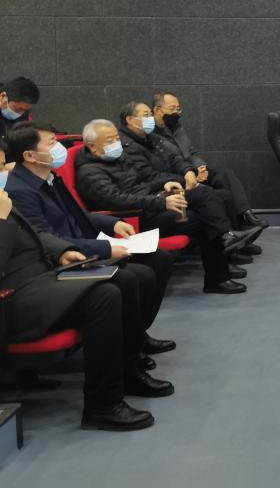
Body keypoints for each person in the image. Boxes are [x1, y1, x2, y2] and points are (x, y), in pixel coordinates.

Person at [0, 140, 163, 431]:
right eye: (0, 167)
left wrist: (63, 251)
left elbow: (37, 234)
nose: (6, 172)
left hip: (40, 277)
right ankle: (103, 404)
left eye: (3, 164)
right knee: (103, 296)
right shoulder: (5, 203)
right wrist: (1, 219)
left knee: (121, 278)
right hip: (12, 297)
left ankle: (129, 371)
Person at [3, 122, 177, 362]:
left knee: (159, 259)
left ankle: (136, 335)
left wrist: (111, 224)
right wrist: (106, 248)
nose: (59, 148)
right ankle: (130, 349)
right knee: (133, 277)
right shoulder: (20, 192)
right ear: (30, 155)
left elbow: (75, 214)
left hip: (83, 244)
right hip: (67, 257)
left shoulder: (48, 177)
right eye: (52, 143)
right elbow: (46, 239)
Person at [74, 118, 252, 295]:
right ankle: (219, 269)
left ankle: (225, 240)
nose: (116, 143)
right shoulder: (89, 172)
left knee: (215, 196)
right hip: (132, 220)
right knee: (201, 219)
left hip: (150, 205)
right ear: (93, 147)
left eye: (117, 138)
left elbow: (142, 182)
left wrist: (163, 186)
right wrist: (161, 201)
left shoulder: (118, 160)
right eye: (110, 140)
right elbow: (117, 201)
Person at [152, 91, 266, 255]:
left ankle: (246, 217)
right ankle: (233, 238)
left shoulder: (177, 127)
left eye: (178, 109)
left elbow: (192, 152)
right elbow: (168, 163)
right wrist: (191, 172)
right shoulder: (151, 135)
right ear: (157, 110)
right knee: (222, 195)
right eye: (172, 109)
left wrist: (201, 167)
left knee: (224, 174)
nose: (176, 113)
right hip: (178, 178)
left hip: (192, 171)